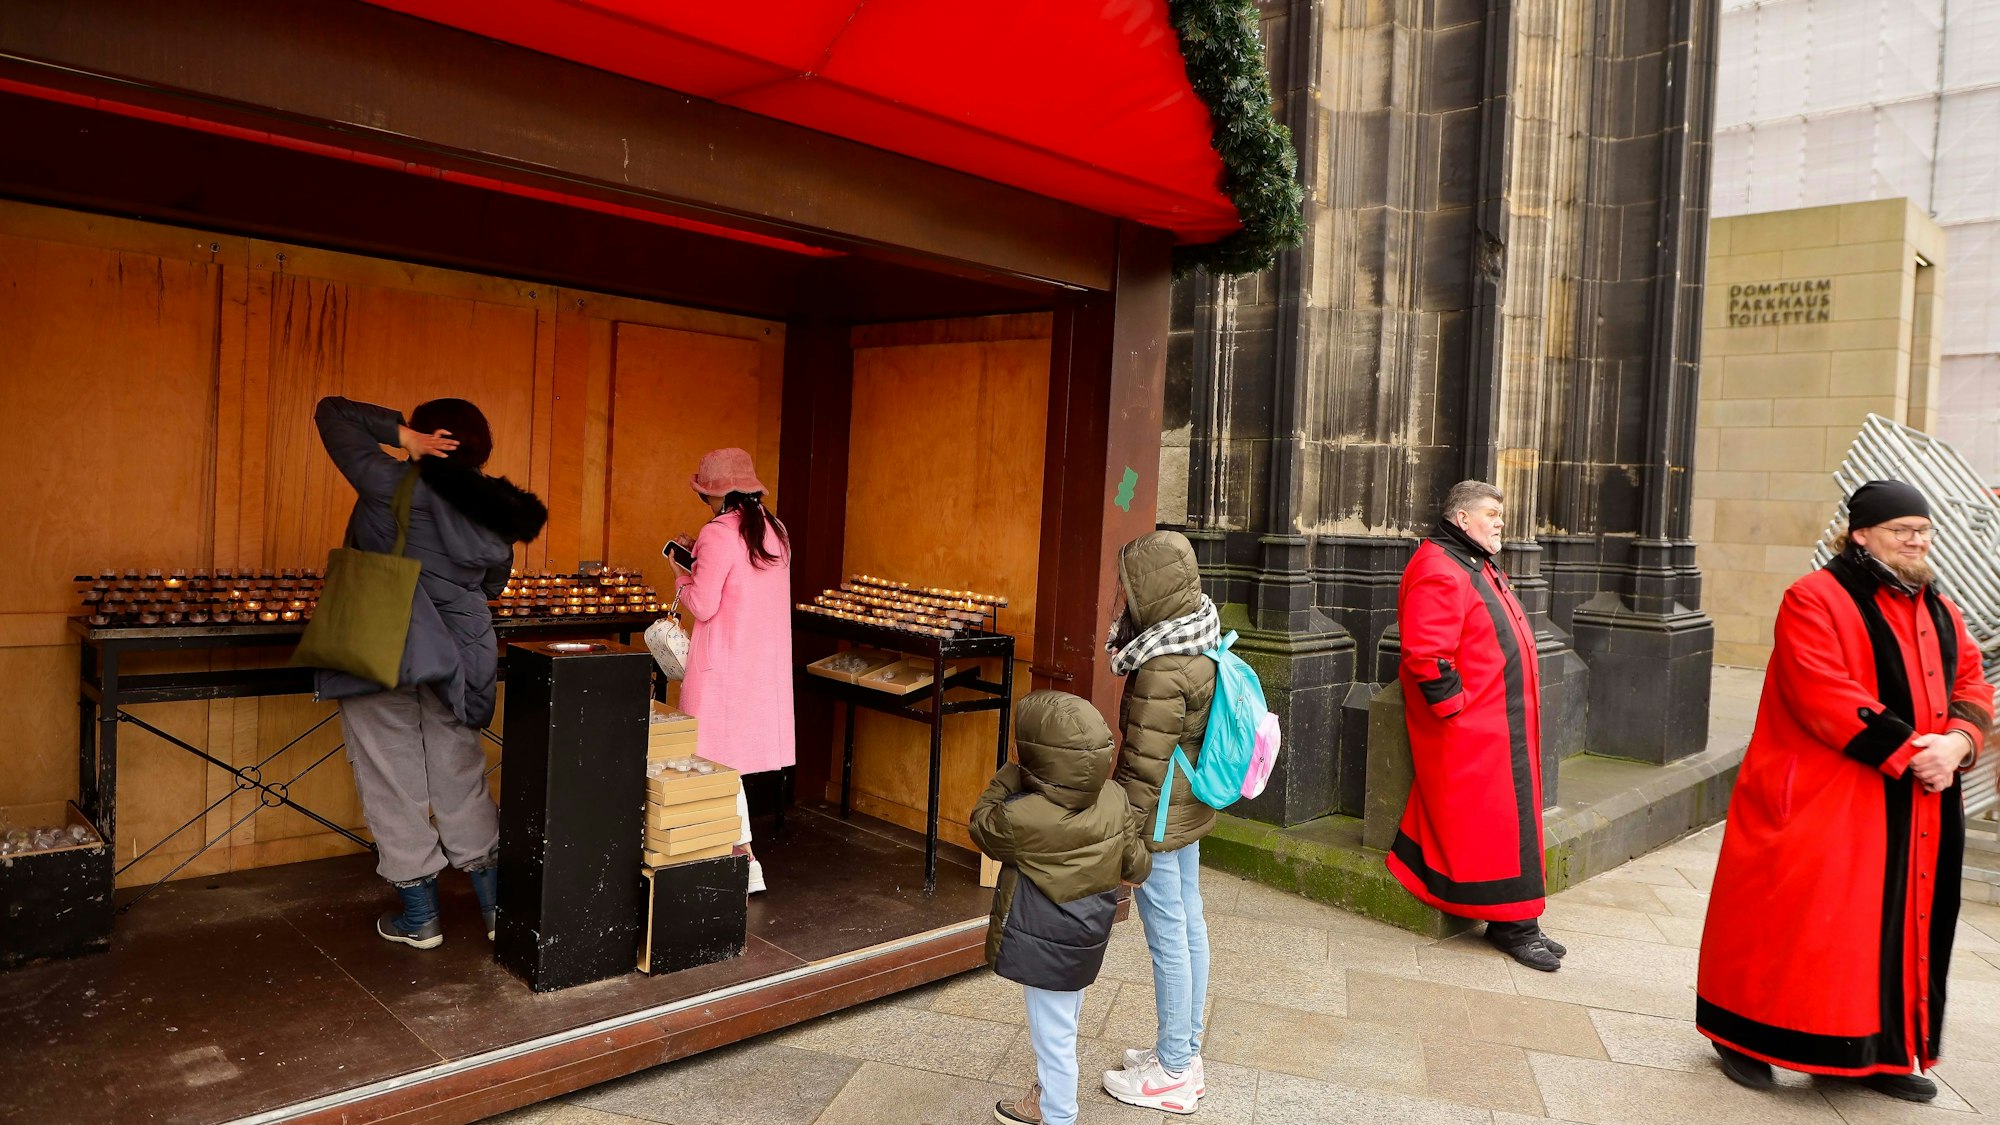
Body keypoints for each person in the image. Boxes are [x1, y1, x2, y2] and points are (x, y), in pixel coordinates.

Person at [1697, 479, 1991, 1104]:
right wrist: (1919, 753)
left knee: (1894, 928)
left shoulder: (1937, 602)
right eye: (1901, 530)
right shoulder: (1814, 597)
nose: (1916, 540)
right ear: (1861, 534)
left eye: (1922, 530)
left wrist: (1960, 743)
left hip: (1918, 797)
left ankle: (1874, 1051)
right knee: (1794, 925)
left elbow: (1971, 679)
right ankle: (1743, 1039)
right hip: (1821, 793)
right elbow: (1821, 692)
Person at [312, 395, 548, 949]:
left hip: (383, 637)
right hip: (460, 651)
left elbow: (331, 412)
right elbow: (491, 585)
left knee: (390, 775)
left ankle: (421, 918)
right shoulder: (495, 511)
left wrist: (398, 434)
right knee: (460, 772)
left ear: (428, 438)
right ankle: (496, 915)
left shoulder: (388, 481)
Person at [1387, 480, 1566, 971]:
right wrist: (1458, 715)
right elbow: (1426, 656)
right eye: (1491, 513)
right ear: (1462, 518)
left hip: (1502, 724)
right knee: (1496, 832)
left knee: (1513, 829)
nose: (1500, 522)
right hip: (1476, 730)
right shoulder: (1440, 566)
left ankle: (1522, 918)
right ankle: (1512, 926)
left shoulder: (1471, 561)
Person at [971, 691, 1153, 1125]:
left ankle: (1059, 1115)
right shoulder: (1113, 797)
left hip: (1043, 943)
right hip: (1086, 935)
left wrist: (1014, 773)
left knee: (1053, 1042)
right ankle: (1044, 1097)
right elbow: (1137, 865)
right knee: (1063, 1024)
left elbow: (981, 823)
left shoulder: (1024, 815)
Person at [1100, 530, 1218, 1114]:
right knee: (1189, 926)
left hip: (1161, 819)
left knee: (1169, 937)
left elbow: (1141, 771)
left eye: (1126, 588)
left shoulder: (1161, 668)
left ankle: (1174, 1072)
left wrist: (1125, 840)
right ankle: (1184, 1052)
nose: (1119, 599)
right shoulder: (1201, 635)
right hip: (1186, 809)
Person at [667, 448, 794, 895]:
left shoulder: (717, 534)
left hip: (721, 668)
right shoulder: (775, 531)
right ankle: (740, 853)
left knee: (712, 760)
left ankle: (742, 855)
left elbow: (703, 604)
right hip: (761, 672)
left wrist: (680, 572)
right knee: (727, 764)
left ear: (713, 496)